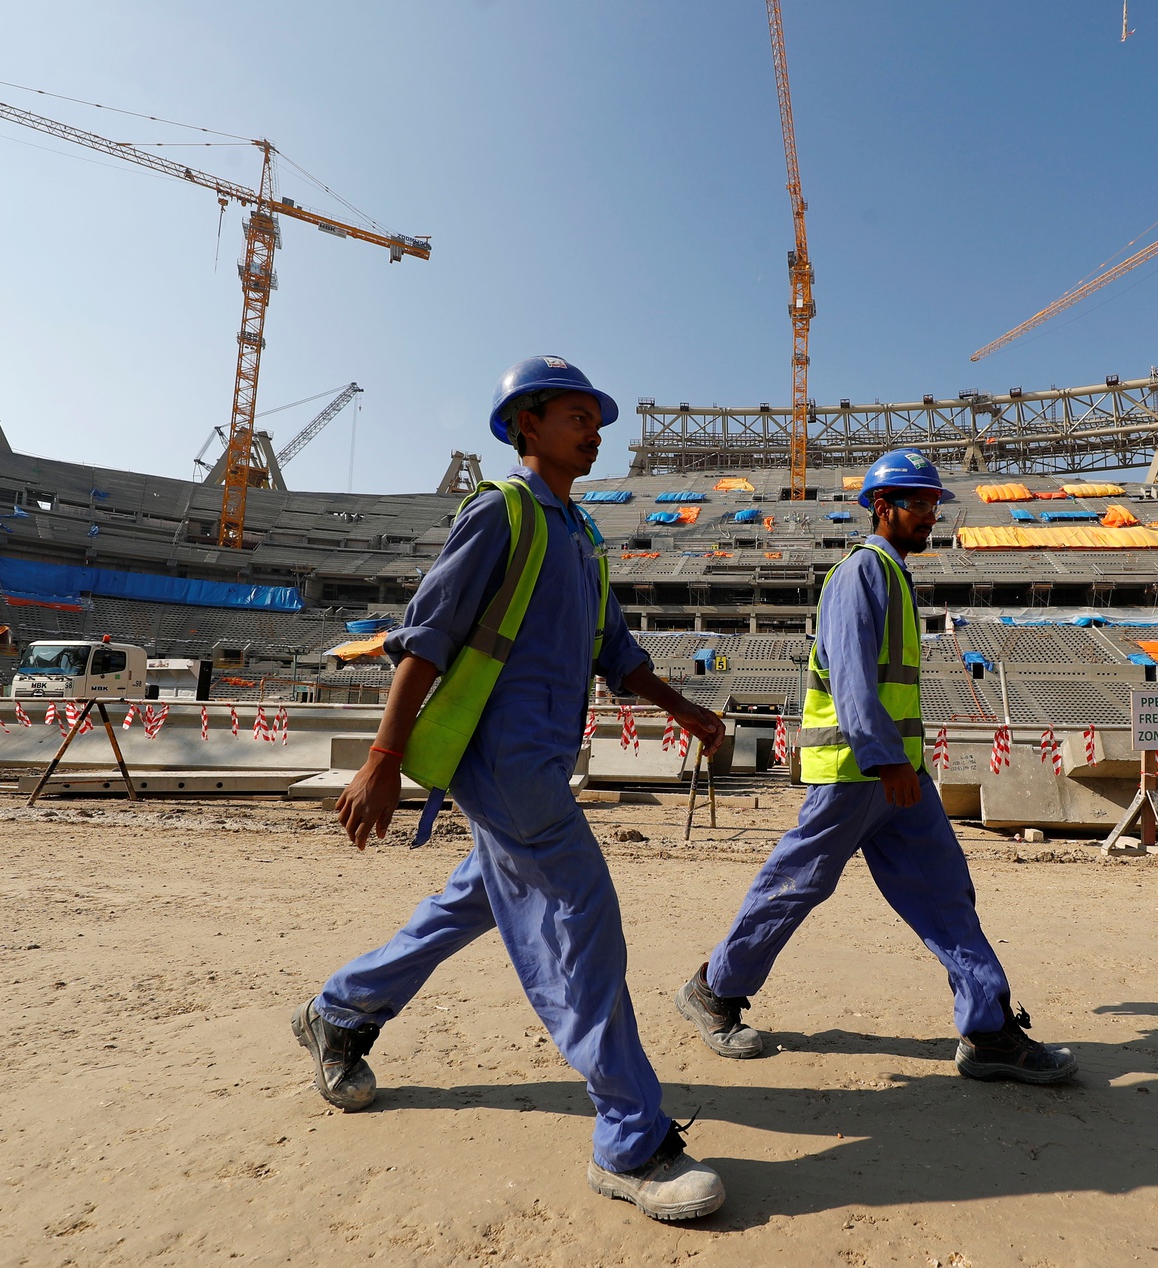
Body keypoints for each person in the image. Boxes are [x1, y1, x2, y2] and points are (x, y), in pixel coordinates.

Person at [294, 356, 730, 1221]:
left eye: (597, 417)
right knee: (583, 918)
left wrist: (689, 711)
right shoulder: (503, 513)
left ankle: (339, 1011)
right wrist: (384, 756)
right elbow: (428, 636)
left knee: (474, 899)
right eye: (576, 415)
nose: (594, 429)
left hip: (537, 761)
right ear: (526, 424)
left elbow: (619, 656)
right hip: (503, 760)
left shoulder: (583, 535)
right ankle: (631, 1138)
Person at [676, 448, 1078, 1084]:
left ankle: (989, 1032)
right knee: (796, 884)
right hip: (856, 773)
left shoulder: (893, 576)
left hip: (897, 779)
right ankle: (713, 989)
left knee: (947, 896)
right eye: (917, 504)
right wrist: (884, 757)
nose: (929, 516)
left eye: (932, 505)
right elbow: (853, 679)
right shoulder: (860, 574)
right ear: (882, 507)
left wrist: (900, 766)